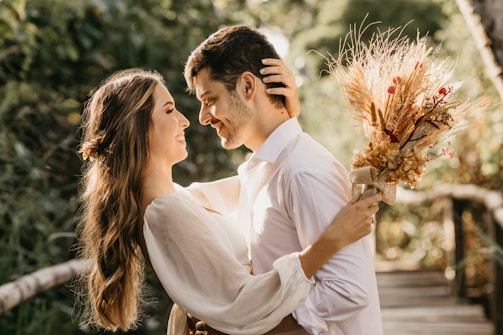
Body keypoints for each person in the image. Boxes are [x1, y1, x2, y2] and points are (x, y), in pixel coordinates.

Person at [75, 68, 382, 334]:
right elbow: (241, 300)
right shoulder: (165, 213)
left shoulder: (179, 199)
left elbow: (266, 177)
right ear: (137, 129)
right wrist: (329, 242)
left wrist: (282, 119)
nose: (185, 120)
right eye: (169, 110)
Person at [184, 25, 383, 334]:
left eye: (210, 99)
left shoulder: (303, 171)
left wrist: (246, 330)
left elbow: (348, 289)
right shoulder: (261, 169)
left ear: (248, 87)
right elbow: (184, 200)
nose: (203, 117)